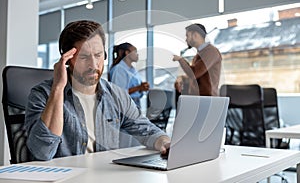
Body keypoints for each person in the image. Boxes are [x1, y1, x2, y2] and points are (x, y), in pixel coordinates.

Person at [25, 20, 170, 161]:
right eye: (84, 57)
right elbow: (42, 152)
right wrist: (58, 88)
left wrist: (165, 143)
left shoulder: (116, 95)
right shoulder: (42, 94)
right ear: (67, 59)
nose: (93, 65)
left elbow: (146, 129)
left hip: (104, 175)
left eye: (98, 55)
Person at [173, 23, 222, 96]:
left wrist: (180, 59)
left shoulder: (211, 52)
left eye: (187, 36)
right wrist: (182, 78)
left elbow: (194, 73)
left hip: (207, 99)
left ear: (195, 35)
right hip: (198, 98)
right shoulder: (199, 54)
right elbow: (198, 77)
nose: (186, 39)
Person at [109, 42, 149, 108]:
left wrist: (142, 88)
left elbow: (136, 90)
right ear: (127, 53)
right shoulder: (119, 69)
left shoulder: (133, 70)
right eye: (135, 52)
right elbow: (119, 93)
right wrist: (139, 87)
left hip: (135, 105)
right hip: (124, 108)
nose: (137, 54)